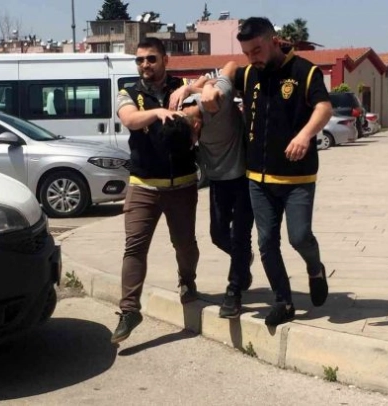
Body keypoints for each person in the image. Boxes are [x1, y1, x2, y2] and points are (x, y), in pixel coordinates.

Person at [201, 17, 333, 326]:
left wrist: (305, 135)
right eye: (247, 53)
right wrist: (204, 86)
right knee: (266, 243)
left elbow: (324, 108)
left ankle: (315, 269)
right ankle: (283, 301)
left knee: (299, 237)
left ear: (274, 41)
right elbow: (227, 70)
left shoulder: (304, 71)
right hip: (258, 179)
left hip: (297, 178)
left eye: (257, 50)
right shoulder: (249, 73)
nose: (252, 58)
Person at [111, 37, 200, 344]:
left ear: (165, 60)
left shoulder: (182, 86)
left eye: (151, 58)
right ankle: (129, 310)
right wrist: (158, 113)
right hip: (143, 186)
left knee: (184, 244)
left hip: (182, 185)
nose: (145, 64)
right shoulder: (128, 92)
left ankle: (187, 281)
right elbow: (130, 119)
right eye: (140, 60)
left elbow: (207, 97)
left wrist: (190, 96)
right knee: (134, 247)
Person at [178, 61, 255, 319]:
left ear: (195, 127)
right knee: (218, 235)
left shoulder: (216, 102)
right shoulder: (179, 111)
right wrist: (193, 86)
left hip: (244, 177)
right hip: (218, 180)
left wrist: (208, 87)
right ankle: (243, 261)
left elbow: (231, 65)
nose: (194, 146)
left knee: (241, 236)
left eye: (192, 142)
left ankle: (234, 292)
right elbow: (197, 84)